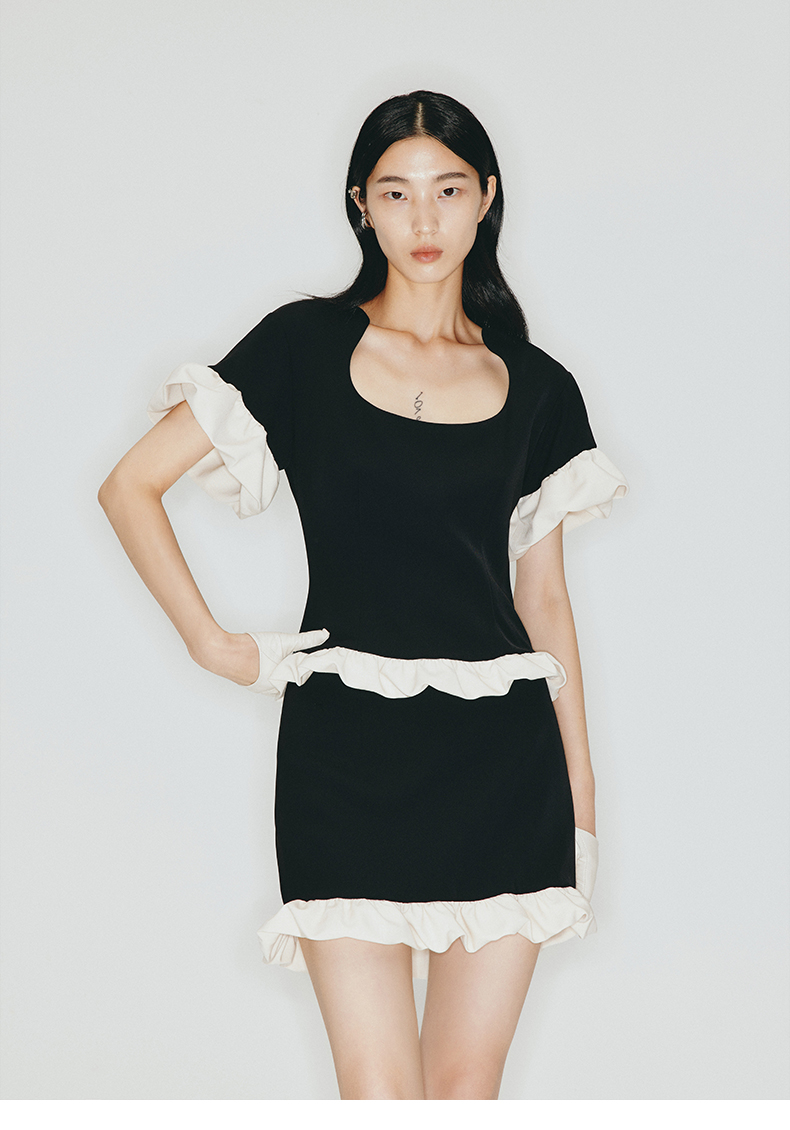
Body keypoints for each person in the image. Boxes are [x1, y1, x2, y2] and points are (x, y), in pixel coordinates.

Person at [98, 89, 628, 1100]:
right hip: (345, 760)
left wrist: (583, 812)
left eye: (447, 190)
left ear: (486, 199)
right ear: (361, 206)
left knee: (464, 1093)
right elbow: (130, 485)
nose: (423, 218)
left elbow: (547, 604)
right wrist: (216, 645)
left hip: (503, 768)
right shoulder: (301, 346)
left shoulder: (540, 389)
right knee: (378, 1094)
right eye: (395, 192)